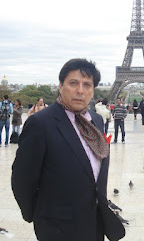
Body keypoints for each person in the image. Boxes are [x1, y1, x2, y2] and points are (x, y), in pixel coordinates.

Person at [11, 58, 125, 241]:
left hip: (95, 223)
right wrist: (39, 215)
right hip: (57, 228)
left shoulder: (96, 121)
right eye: (73, 83)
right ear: (60, 86)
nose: (80, 90)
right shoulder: (40, 124)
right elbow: (22, 179)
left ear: (93, 90)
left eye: (87, 84)